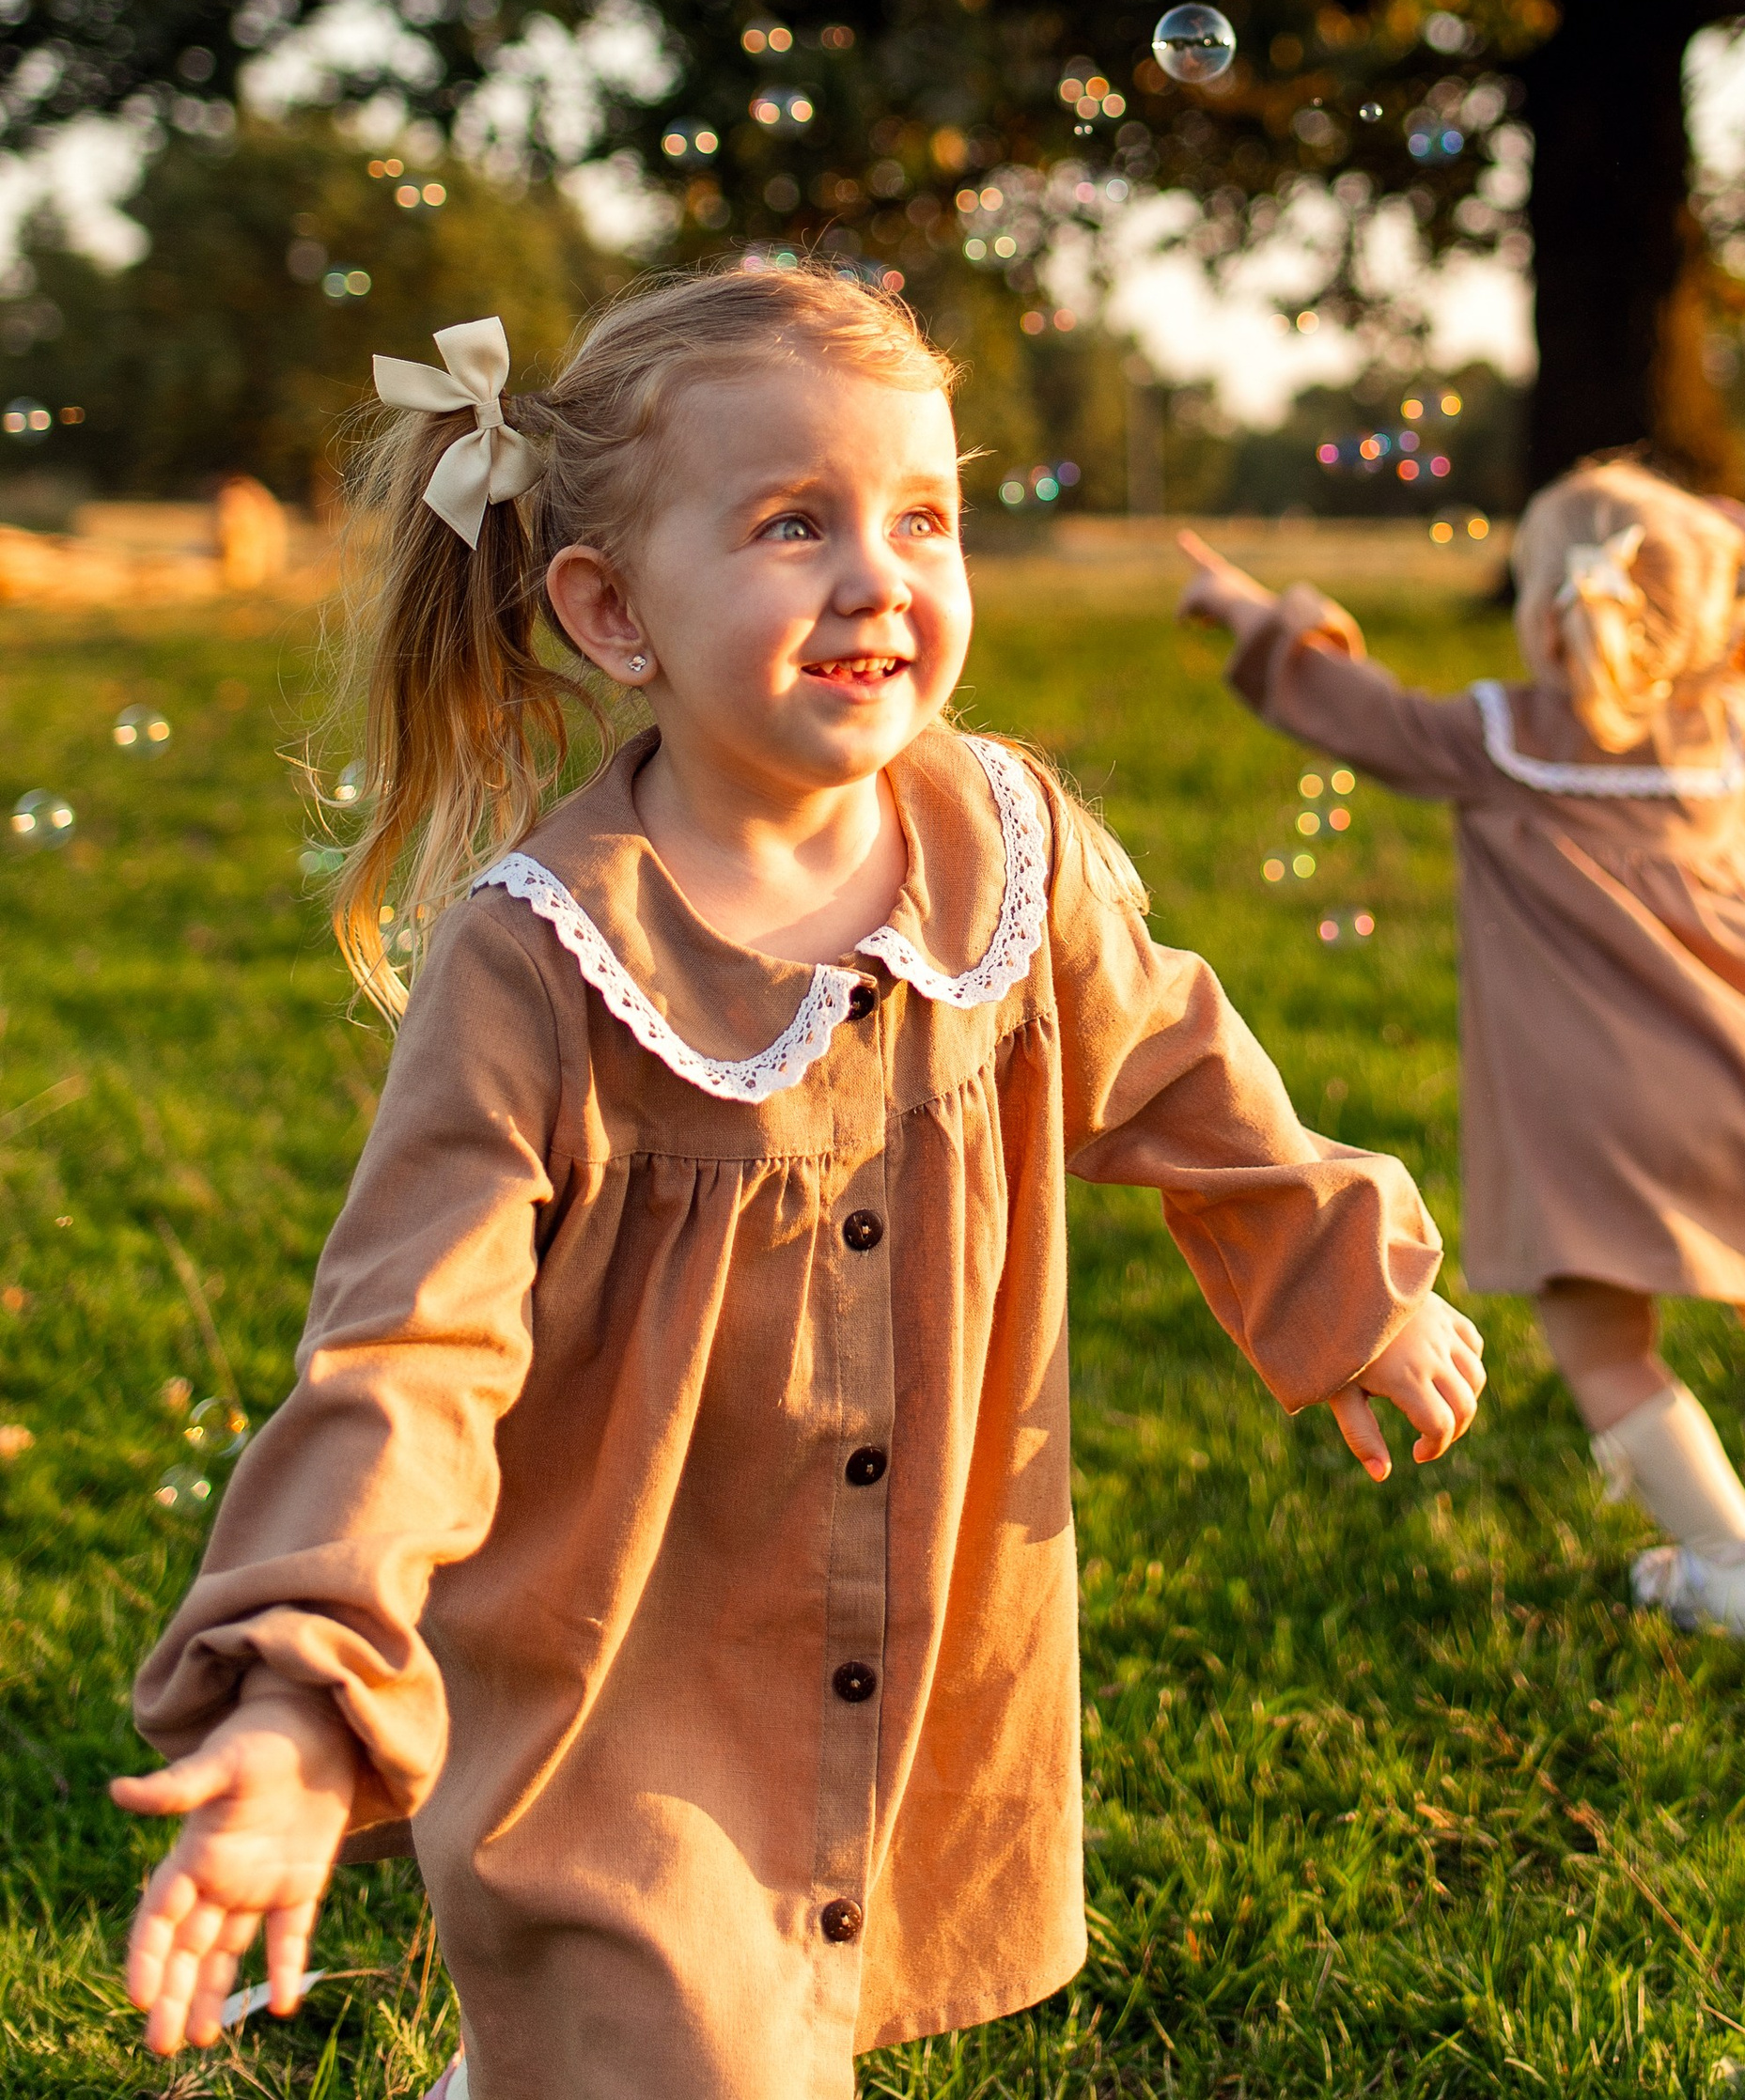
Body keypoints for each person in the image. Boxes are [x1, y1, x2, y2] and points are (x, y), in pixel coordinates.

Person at [115, 267, 1485, 2099]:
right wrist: (298, 1698)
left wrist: (1347, 1279)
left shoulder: (999, 848)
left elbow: (1171, 1064)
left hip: (895, 1632)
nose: (878, 576)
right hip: (619, 1666)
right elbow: (405, 1356)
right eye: (791, 523)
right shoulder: (544, 961)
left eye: (923, 517)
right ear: (611, 611)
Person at [1176, 457, 1745, 1647]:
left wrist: (1263, 613)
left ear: (1543, 609)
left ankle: (1733, 1567)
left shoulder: (1495, 735)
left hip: (1585, 1117)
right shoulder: (1728, 731)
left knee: (1602, 1341)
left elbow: (1346, 705)